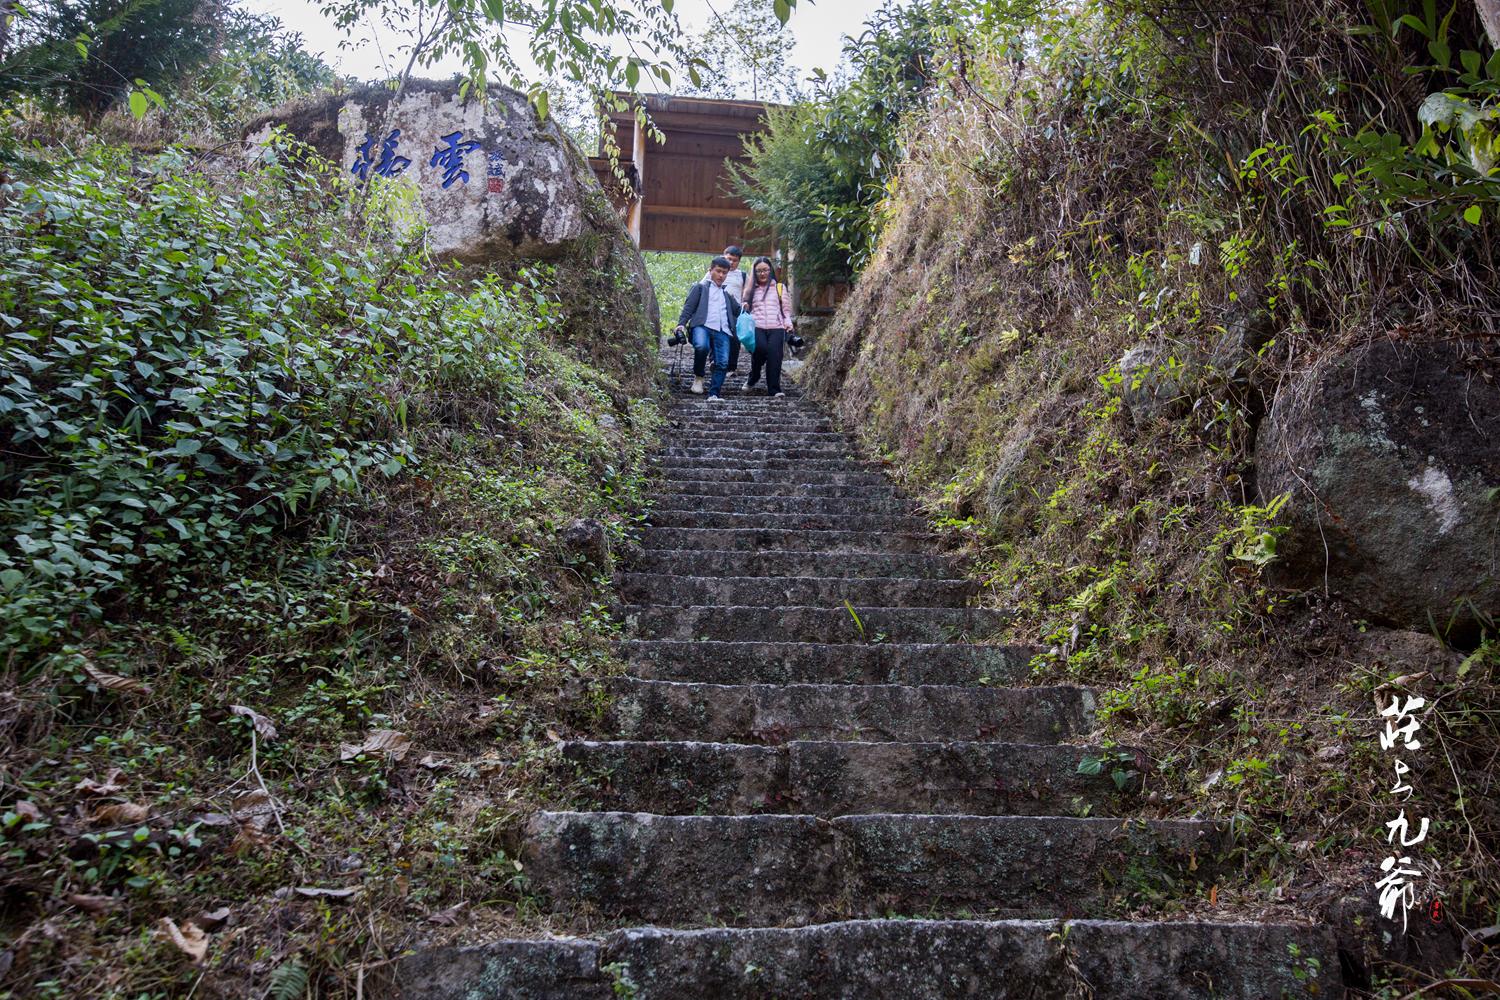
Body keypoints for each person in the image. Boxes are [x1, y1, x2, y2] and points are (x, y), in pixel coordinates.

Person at [674, 256, 742, 402]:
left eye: (724, 273)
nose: (721, 275)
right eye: (718, 271)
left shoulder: (726, 294)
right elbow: (688, 307)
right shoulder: (700, 288)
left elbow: (739, 311)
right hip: (702, 326)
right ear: (710, 271)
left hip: (723, 330)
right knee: (701, 346)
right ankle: (699, 376)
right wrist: (681, 323)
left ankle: (714, 394)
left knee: (723, 362)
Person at [742, 256, 794, 397]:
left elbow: (786, 309)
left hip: (777, 327)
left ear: (770, 270)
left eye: (765, 270)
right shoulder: (750, 289)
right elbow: (745, 308)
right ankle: (754, 376)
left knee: (774, 357)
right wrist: (745, 305)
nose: (762, 273)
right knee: (760, 349)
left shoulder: (779, 287)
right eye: (759, 271)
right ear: (755, 272)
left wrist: (788, 323)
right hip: (757, 327)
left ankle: (774, 389)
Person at [702, 245, 747, 374]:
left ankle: (731, 366)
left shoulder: (742, 275)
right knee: (714, 334)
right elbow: (702, 286)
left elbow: (746, 292)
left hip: (734, 311)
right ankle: (714, 361)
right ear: (723, 256)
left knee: (734, 338)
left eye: (735, 260)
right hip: (715, 308)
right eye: (729, 258)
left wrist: (745, 305)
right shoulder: (714, 272)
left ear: (739, 261)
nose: (731, 262)